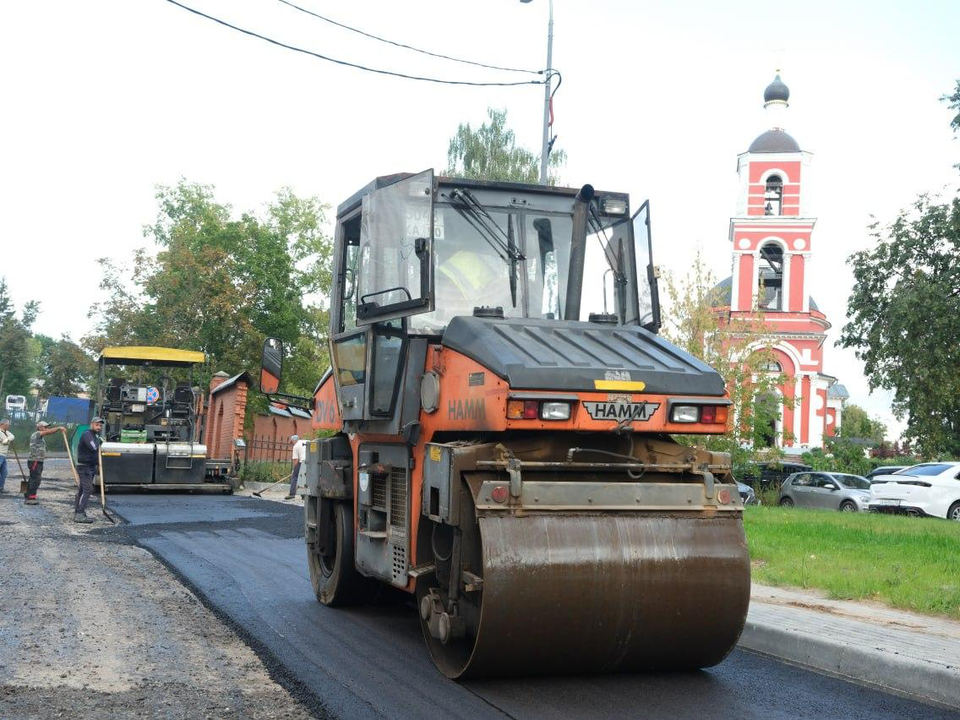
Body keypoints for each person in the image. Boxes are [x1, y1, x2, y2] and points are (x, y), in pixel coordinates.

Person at [26, 420, 65, 505]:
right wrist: (58, 428)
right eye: (45, 427)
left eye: (48, 427)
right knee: (36, 479)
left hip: (38, 460)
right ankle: (31, 498)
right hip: (35, 460)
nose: (47, 428)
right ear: (40, 427)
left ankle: (28, 494)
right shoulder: (37, 434)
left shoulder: (40, 436)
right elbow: (49, 432)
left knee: (34, 478)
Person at [73, 417, 104, 523]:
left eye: (100, 426)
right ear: (92, 424)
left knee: (82, 490)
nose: (99, 427)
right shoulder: (87, 435)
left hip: (89, 466)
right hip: (84, 467)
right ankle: (79, 514)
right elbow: (93, 447)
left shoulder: (93, 435)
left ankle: (78, 511)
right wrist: (100, 441)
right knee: (87, 490)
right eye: (97, 425)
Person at [286, 434, 308, 500]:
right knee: (305, 478)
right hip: (312, 461)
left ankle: (292, 494)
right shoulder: (306, 441)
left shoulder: (295, 446)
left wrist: (294, 470)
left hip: (303, 462)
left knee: (295, 477)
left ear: (293, 440)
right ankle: (304, 495)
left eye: (292, 442)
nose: (292, 443)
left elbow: (295, 460)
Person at [0, 418, 14, 493]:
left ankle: (1, 487)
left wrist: (8, 439)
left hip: (3, 455)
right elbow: (5, 442)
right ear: (1, 424)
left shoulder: (6, 432)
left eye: (8, 425)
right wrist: (8, 439)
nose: (8, 426)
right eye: (6, 425)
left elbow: (12, 436)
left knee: (4, 472)